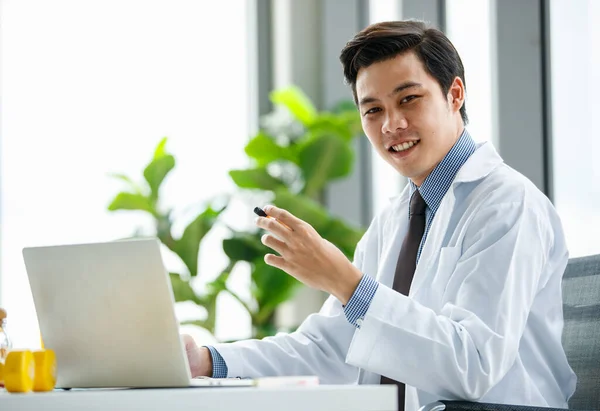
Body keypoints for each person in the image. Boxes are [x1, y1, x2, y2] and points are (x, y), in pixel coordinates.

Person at [182, 20, 576, 411]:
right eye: (373, 110)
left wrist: (345, 282)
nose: (392, 125)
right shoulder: (395, 221)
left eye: (409, 99)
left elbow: (472, 364)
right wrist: (206, 360)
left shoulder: (507, 204)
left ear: (454, 94)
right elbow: (329, 348)